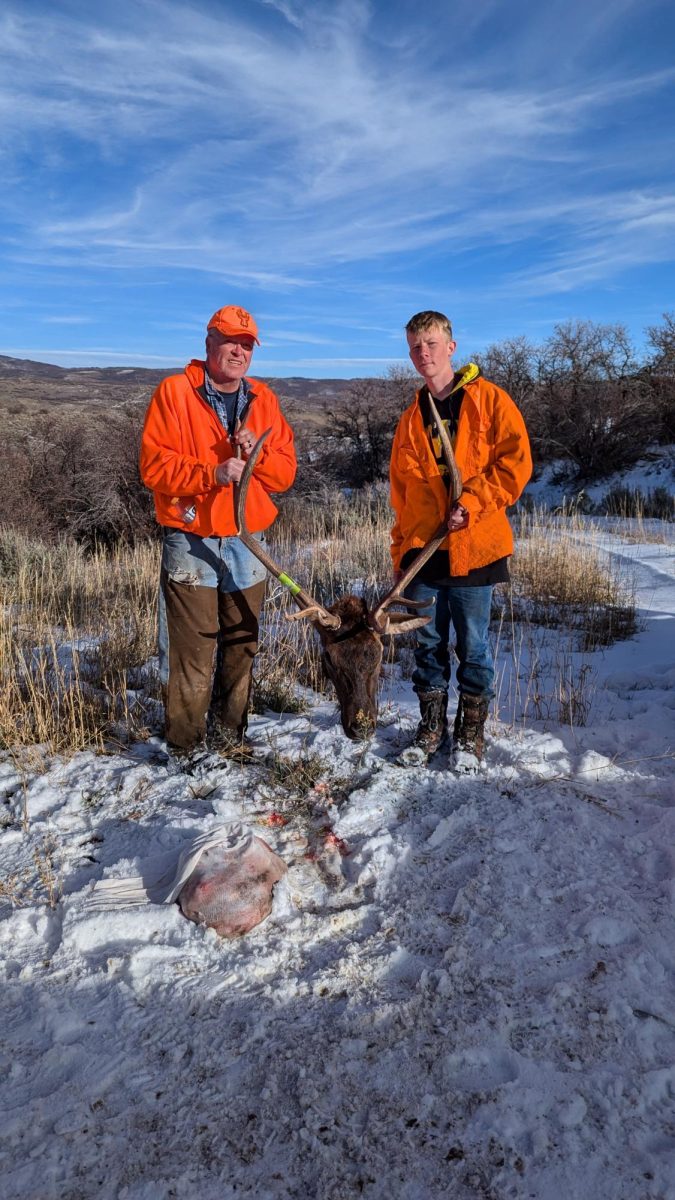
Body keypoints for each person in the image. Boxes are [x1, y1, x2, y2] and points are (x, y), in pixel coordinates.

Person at [140, 305, 296, 759]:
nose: (239, 351)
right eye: (230, 341)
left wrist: (257, 456)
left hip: (248, 542)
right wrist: (212, 472)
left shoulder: (264, 400)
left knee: (242, 647)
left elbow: (285, 474)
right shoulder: (174, 392)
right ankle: (185, 747)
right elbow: (153, 466)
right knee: (192, 655)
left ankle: (231, 739)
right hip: (192, 540)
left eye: (247, 345)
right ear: (208, 343)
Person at [390, 310, 532, 768]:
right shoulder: (411, 419)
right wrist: (400, 554)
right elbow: (401, 498)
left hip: (475, 549)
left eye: (430, 343)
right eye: (415, 346)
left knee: (472, 647)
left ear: (451, 346)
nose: (423, 353)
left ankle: (470, 734)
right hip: (424, 556)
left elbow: (515, 466)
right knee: (427, 646)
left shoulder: (490, 401)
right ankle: (431, 728)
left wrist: (472, 502)